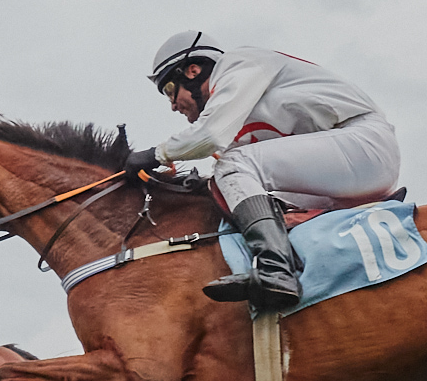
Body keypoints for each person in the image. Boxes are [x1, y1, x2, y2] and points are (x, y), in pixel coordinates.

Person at [123, 31, 403, 311]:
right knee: (236, 184)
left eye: (170, 91)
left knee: (231, 166)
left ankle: (275, 270)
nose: (173, 106)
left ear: (193, 71)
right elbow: (235, 181)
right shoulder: (234, 121)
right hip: (345, 173)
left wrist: (153, 155)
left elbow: (207, 138)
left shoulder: (239, 63)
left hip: (364, 144)